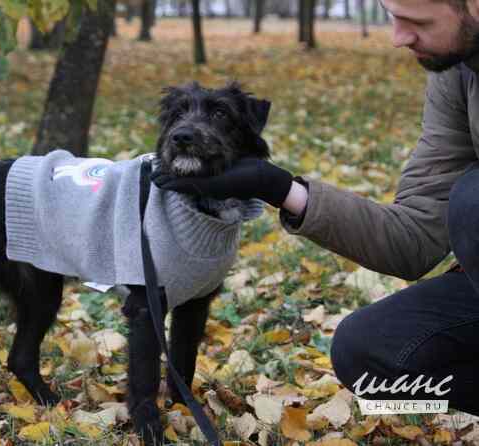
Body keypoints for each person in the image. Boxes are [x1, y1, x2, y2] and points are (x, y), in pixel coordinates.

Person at [152, 0, 479, 415]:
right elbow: (414, 239)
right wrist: (279, 187)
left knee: (473, 199)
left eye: (416, 21)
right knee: (366, 359)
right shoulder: (456, 69)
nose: (398, 37)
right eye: (391, 15)